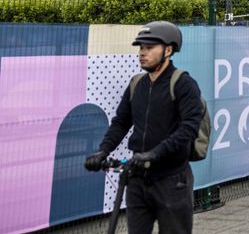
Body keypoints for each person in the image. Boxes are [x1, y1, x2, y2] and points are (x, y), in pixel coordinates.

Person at [83, 21, 204, 234]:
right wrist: (103, 150)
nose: (142, 53)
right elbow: (120, 123)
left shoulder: (184, 84)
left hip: (173, 180)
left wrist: (154, 154)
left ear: (168, 50)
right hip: (138, 179)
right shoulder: (136, 84)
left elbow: (188, 129)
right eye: (141, 48)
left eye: (149, 48)